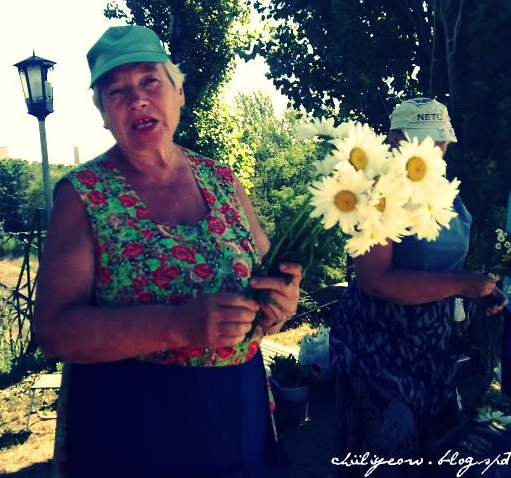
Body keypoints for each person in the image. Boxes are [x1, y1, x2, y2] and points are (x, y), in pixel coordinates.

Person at [33, 25, 302, 477]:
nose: (136, 99)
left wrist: (279, 303)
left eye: (150, 81)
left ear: (178, 91)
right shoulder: (82, 195)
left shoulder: (222, 179)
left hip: (237, 410)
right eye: (115, 91)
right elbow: (54, 331)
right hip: (132, 422)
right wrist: (177, 325)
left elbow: (269, 277)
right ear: (102, 113)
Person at [329, 97, 508, 477]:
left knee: (435, 459)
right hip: (376, 351)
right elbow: (376, 280)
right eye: (424, 141)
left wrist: (478, 289)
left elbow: (444, 266)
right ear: (394, 140)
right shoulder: (374, 191)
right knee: (384, 461)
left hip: (431, 352)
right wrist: (460, 284)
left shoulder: (446, 194)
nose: (434, 153)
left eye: (440, 143)